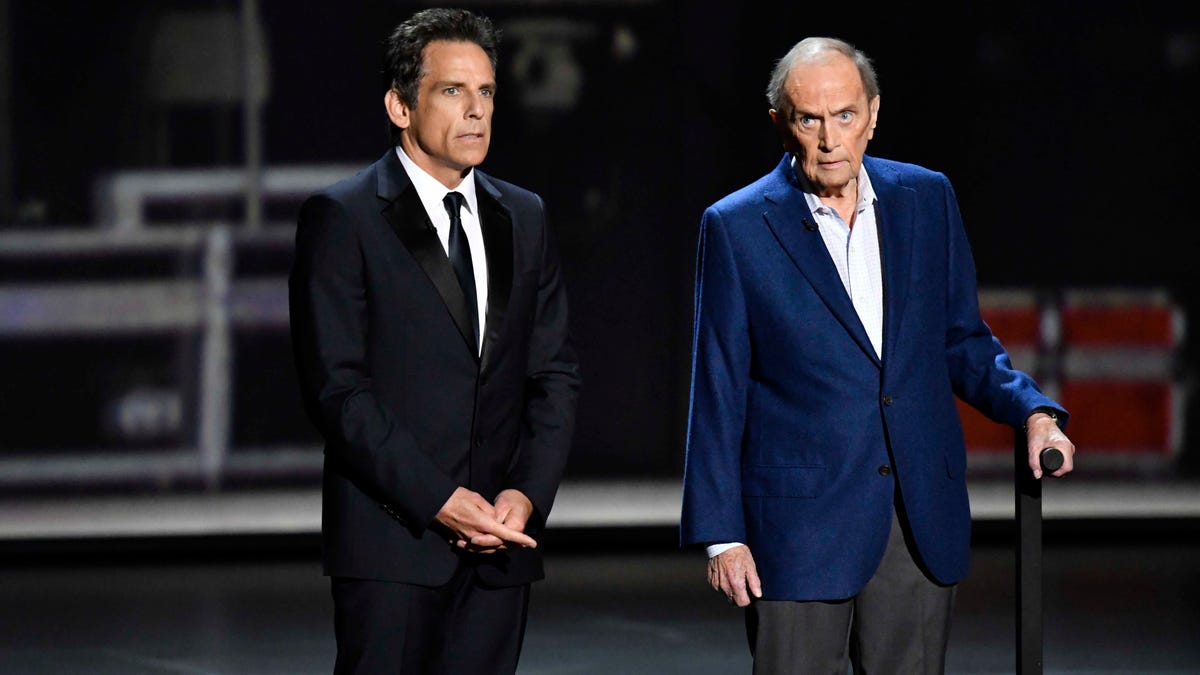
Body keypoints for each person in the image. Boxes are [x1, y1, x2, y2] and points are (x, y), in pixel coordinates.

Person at [680, 36, 1076, 674]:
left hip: (916, 518)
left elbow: (961, 339)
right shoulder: (736, 225)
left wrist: (1031, 410)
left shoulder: (926, 198)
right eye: (809, 118)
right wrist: (721, 537)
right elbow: (717, 386)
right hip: (797, 525)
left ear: (872, 115)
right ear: (781, 123)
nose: (830, 138)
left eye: (845, 115)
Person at [288, 8, 580, 674]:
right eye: (453, 91)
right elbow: (337, 389)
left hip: (499, 548)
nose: (476, 110)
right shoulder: (344, 216)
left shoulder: (524, 215)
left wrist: (526, 495)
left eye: (486, 92)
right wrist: (439, 500)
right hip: (394, 545)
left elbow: (554, 370)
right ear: (399, 104)